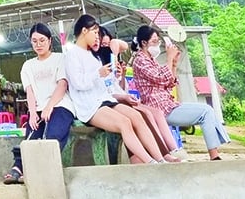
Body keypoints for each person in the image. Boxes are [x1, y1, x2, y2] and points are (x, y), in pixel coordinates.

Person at [63, 15, 167, 164]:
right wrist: (98, 73)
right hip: (90, 105)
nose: (97, 37)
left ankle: (160, 158)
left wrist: (113, 75)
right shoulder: (72, 54)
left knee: (137, 117)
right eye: (94, 32)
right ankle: (150, 161)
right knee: (124, 122)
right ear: (84, 31)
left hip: (105, 99)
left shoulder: (93, 55)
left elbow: (104, 82)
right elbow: (79, 84)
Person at [132, 25, 230, 160]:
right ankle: (214, 155)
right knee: (205, 111)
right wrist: (169, 58)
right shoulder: (140, 60)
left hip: (168, 104)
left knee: (207, 110)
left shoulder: (151, 61)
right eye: (154, 42)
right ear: (144, 43)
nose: (157, 45)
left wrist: (174, 64)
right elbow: (160, 78)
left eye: (158, 42)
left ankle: (215, 154)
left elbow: (169, 82)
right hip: (159, 107)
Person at [92, 27, 182, 162]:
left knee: (153, 114)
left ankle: (168, 151)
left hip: (121, 97)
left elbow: (118, 85)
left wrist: (119, 73)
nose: (105, 46)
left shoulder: (110, 61)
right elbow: (105, 92)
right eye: (102, 43)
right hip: (111, 101)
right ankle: (148, 157)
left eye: (106, 43)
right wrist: (169, 60)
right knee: (140, 116)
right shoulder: (97, 62)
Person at [3, 23, 75, 184]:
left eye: (42, 40)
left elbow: (62, 85)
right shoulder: (28, 66)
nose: (39, 44)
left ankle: (41, 171)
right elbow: (30, 91)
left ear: (49, 41)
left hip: (61, 105)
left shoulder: (60, 59)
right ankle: (18, 168)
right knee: (31, 137)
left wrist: (49, 107)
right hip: (39, 109)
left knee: (52, 136)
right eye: (34, 41)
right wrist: (33, 113)